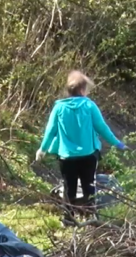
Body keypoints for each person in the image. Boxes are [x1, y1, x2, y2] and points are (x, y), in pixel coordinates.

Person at [36, 70, 125, 224]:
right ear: (83, 89)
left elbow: (50, 131)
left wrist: (42, 150)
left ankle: (68, 219)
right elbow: (102, 128)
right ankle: (91, 217)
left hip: (66, 156)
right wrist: (118, 143)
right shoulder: (90, 106)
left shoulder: (58, 107)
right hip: (88, 155)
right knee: (89, 185)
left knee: (69, 187)